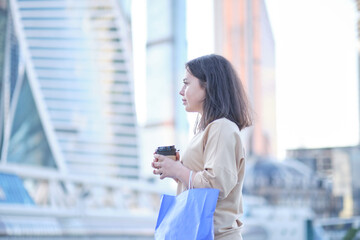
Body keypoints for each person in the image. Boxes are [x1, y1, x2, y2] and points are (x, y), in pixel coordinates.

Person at [151, 54, 252, 240]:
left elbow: (216, 186)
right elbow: (205, 185)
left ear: (208, 86)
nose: (181, 91)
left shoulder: (222, 127)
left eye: (187, 83)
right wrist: (175, 172)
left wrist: (178, 169)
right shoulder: (210, 129)